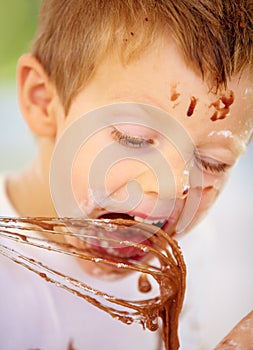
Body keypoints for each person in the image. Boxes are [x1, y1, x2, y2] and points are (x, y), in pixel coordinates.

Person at [0, 0, 252, 349]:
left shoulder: (191, 252)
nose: (170, 187)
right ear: (43, 102)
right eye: (135, 139)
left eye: (212, 162)